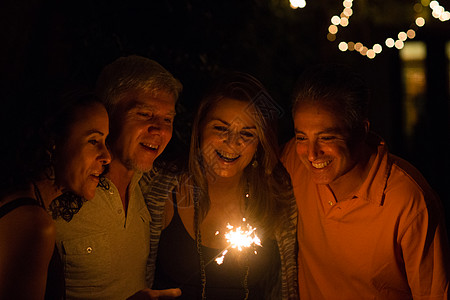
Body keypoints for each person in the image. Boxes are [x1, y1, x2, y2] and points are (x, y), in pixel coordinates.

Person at [281, 63, 450, 299]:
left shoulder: (409, 203)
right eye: (302, 137)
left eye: (327, 137)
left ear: (362, 130)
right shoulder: (294, 161)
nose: (311, 154)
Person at [142, 72, 298, 299]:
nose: (232, 142)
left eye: (247, 134)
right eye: (220, 129)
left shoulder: (277, 193)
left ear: (259, 144)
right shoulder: (159, 185)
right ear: (200, 129)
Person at [54, 55, 183, 300]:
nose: (160, 129)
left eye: (168, 119)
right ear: (107, 115)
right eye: (145, 114)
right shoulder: (58, 194)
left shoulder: (148, 187)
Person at [0, 88, 111, 299]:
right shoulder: (32, 224)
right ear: (53, 143)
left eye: (106, 141)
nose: (107, 156)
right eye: (93, 141)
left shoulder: (20, 202)